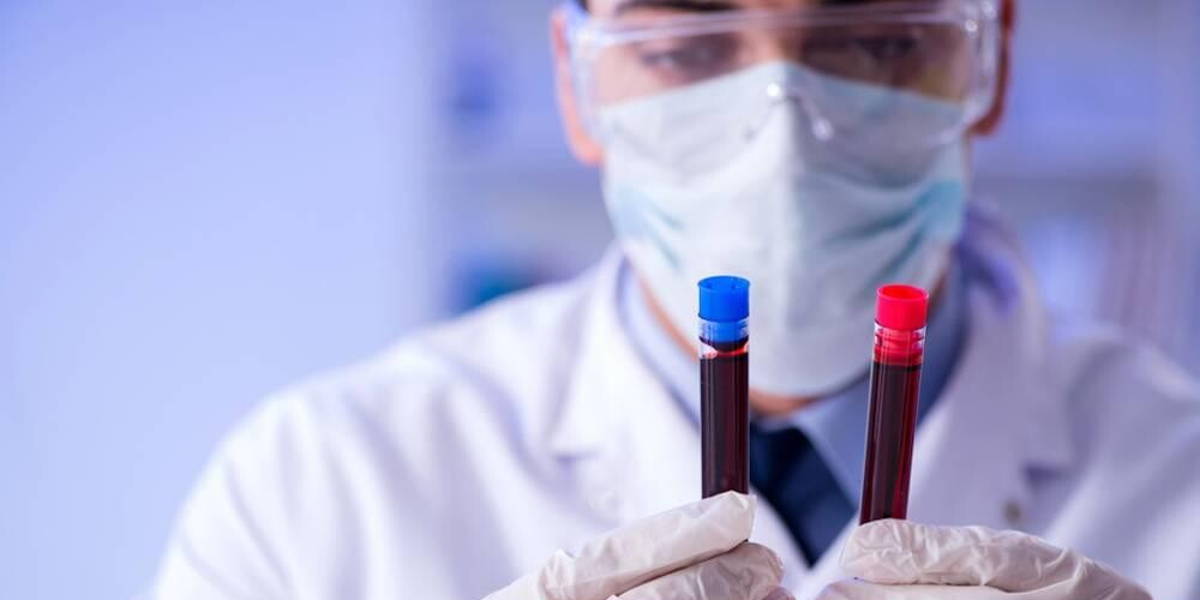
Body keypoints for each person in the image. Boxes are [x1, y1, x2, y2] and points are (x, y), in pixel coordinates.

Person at [151, 0, 1200, 598]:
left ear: (991, 58)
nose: (784, 137)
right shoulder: (312, 489)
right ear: (576, 82)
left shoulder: (1179, 478)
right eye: (686, 47)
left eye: (879, 39)